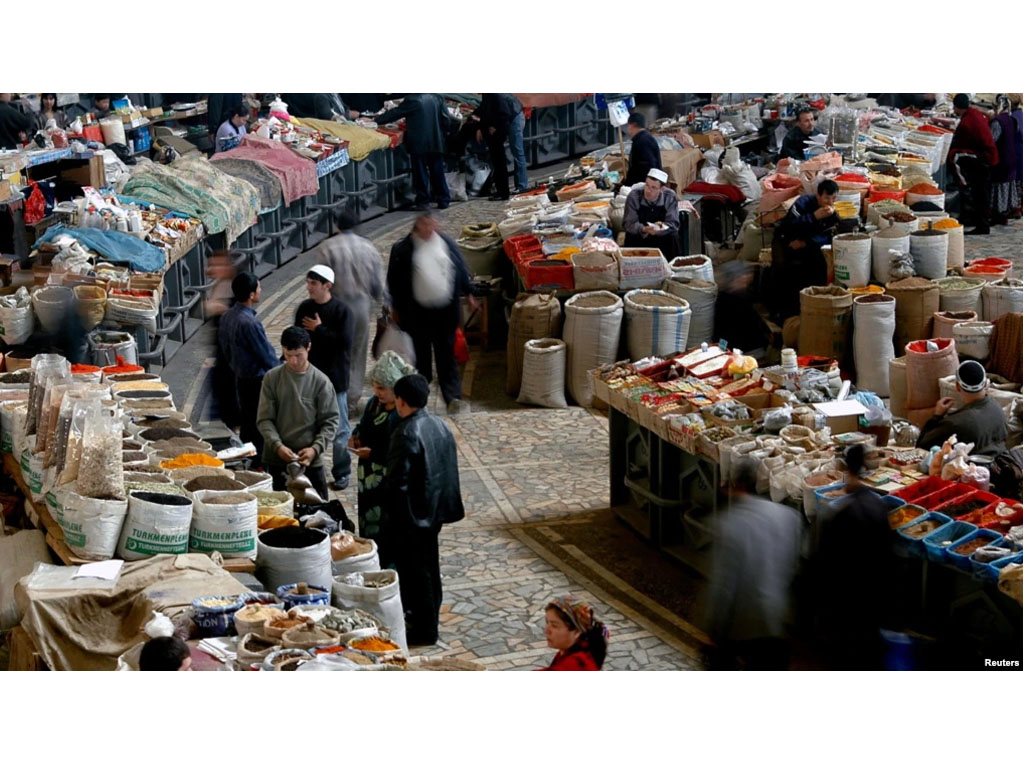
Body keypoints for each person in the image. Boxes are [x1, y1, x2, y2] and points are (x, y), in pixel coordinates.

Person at [384, 374, 465, 646]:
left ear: (402, 401)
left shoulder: (406, 433)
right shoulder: (439, 425)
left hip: (412, 516)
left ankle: (424, 628)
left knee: (416, 574)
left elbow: (396, 483)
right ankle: (428, 622)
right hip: (435, 511)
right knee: (430, 568)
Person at [704, 457, 802, 670]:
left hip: (744, 629)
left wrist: (713, 628)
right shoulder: (788, 517)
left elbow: (723, 585)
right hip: (778, 622)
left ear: (735, 486)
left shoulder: (728, 525)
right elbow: (792, 569)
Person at [386, 213, 475, 415]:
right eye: (425, 224)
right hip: (416, 316)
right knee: (421, 359)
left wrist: (469, 292)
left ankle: (453, 397)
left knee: (446, 357)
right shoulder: (402, 249)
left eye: (432, 223)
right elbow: (394, 281)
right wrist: (394, 308)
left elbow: (459, 268)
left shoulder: (446, 243)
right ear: (417, 226)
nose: (430, 227)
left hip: (445, 313)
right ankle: (419, 399)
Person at [816, 445, 892, 670]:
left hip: (846, 605)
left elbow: (825, 568)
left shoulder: (839, 514)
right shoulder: (879, 505)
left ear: (847, 470)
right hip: (873, 601)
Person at [349, 350, 418, 570]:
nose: (377, 392)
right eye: (375, 387)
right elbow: (364, 424)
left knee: (386, 525)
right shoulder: (373, 404)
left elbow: (398, 450)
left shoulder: (399, 414)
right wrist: (356, 436)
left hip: (386, 476)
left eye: (382, 388)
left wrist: (373, 454)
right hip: (367, 476)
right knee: (369, 521)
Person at [314, 210, 386, 416]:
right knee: (357, 353)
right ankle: (352, 400)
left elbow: (320, 282)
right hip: (361, 306)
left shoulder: (327, 248)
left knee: (335, 352)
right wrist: (383, 308)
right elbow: (377, 284)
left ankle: (335, 397)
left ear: (337, 226)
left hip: (336, 307)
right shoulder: (368, 247)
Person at [257, 326, 340, 502]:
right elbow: (265, 419)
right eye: (288, 355)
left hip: (309, 461)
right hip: (277, 458)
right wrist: (277, 446)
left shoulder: (321, 382)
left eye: (298, 355)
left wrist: (315, 449)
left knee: (318, 512)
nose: (293, 361)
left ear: (308, 347)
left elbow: (330, 421)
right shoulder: (272, 378)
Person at [294, 265, 356, 491]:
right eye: (308, 282)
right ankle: (308, 469)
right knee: (307, 426)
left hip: (335, 380)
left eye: (313, 283)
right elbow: (297, 338)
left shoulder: (342, 311)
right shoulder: (305, 308)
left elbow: (345, 343)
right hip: (309, 379)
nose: (309, 287)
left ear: (327, 286)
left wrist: (319, 329)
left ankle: (342, 471)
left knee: (340, 430)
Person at [218, 273, 280, 466]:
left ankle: (249, 456)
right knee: (259, 423)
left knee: (247, 421)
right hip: (256, 380)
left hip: (239, 377)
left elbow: (225, 349)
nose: (261, 291)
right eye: (259, 288)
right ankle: (259, 462)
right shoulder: (250, 323)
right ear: (252, 294)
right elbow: (266, 356)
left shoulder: (227, 316)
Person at [770, 179, 839, 321]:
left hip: (807, 245)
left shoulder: (832, 213)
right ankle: (781, 314)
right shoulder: (803, 203)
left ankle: (812, 308)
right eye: (826, 198)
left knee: (818, 269)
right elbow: (788, 226)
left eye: (833, 198)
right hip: (785, 241)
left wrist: (806, 242)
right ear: (818, 196)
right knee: (783, 275)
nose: (830, 202)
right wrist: (814, 217)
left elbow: (827, 235)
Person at [917, 360, 1009, 457]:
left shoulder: (955, 423)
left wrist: (937, 416)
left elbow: (921, 446)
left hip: (972, 470)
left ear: (957, 387)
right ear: (985, 384)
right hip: (1002, 466)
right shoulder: (997, 409)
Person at [377, 94, 453, 210]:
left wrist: (375, 120)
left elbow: (396, 113)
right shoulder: (437, 97)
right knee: (438, 172)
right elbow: (446, 119)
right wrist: (442, 134)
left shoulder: (412, 99)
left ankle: (423, 201)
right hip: (436, 141)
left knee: (421, 173)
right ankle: (444, 199)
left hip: (419, 142)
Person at [949, 93, 1000, 235]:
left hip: (983, 159)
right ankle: (979, 221)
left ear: (957, 107)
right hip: (988, 157)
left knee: (980, 194)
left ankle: (981, 225)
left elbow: (959, 144)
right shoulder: (975, 114)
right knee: (982, 194)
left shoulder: (966, 123)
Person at [471, 93, 524, 201]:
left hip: (498, 131)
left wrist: (494, 126)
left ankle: (506, 191)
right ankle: (501, 190)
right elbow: (486, 109)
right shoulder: (489, 95)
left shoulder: (494, 95)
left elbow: (503, 113)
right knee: (498, 161)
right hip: (495, 130)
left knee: (501, 160)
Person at [714, 261, 772, 358]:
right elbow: (755, 325)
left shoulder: (721, 299)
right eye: (744, 275)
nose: (748, 277)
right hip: (747, 350)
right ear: (735, 279)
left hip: (728, 350)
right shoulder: (739, 301)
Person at [622, 168, 680, 258]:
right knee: (631, 235)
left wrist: (659, 228)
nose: (648, 191)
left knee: (673, 236)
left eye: (654, 188)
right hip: (641, 234)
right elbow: (628, 223)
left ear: (662, 189)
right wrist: (644, 229)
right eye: (647, 185)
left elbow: (673, 223)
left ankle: (673, 268)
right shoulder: (634, 196)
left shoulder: (670, 196)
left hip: (661, 236)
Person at [540, 597, 608, 671]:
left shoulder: (577, 664)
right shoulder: (569, 651)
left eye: (555, 626)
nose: (546, 630)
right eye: (547, 622)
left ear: (576, 632)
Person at [989, 95, 1020, 225]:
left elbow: (991, 140)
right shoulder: (1012, 120)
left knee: (999, 188)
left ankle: (999, 214)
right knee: (1008, 187)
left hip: (1002, 160)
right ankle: (1006, 212)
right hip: (1012, 158)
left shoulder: (997, 122)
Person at [623, 112, 662, 187]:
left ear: (632, 125)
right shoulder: (644, 138)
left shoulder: (642, 141)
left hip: (644, 186)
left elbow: (646, 167)